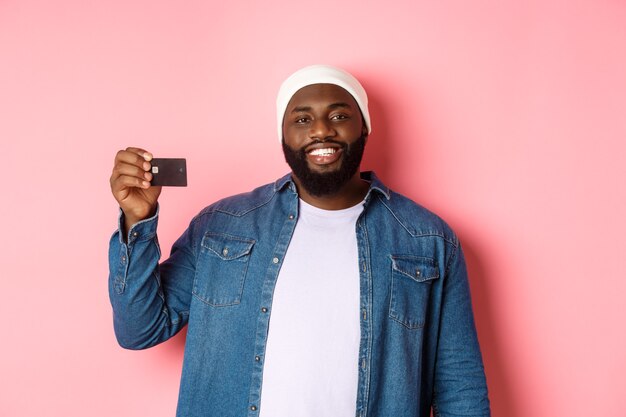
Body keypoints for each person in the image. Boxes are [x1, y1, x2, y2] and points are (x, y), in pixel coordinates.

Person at [108, 65, 490, 417]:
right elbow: (139, 329)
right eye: (302, 118)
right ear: (283, 135)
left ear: (365, 129)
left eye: (339, 116)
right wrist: (137, 220)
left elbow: (460, 389)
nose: (321, 130)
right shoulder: (221, 226)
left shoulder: (428, 239)